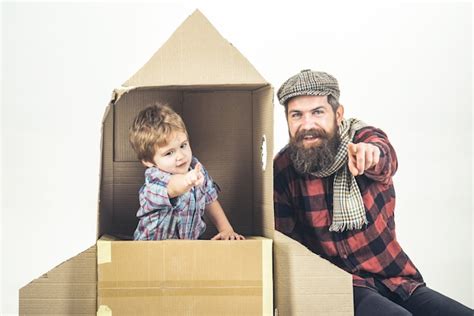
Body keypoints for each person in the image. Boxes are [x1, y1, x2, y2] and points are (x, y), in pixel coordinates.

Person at [273, 70, 472, 315]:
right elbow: (285, 244)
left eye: (317, 112)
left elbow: (385, 158)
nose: (307, 125)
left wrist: (372, 155)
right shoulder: (282, 168)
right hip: (341, 285)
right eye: (297, 115)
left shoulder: (363, 140)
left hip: (393, 277)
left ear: (338, 114)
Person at [129, 104, 244, 241]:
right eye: (169, 153)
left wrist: (226, 229)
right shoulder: (154, 179)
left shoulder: (196, 168)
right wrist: (187, 181)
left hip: (186, 249)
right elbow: (172, 187)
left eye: (183, 145)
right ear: (148, 161)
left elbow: (210, 200)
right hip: (151, 251)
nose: (181, 156)